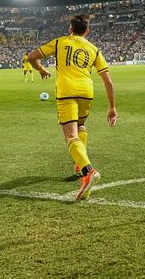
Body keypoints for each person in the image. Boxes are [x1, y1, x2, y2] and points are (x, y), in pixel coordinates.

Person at [28, 14, 117, 201]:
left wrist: (42, 69)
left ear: (70, 29)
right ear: (88, 31)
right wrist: (112, 107)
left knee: (70, 136)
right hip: (86, 92)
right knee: (81, 125)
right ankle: (79, 165)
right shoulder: (94, 49)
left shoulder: (60, 42)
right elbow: (108, 81)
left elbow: (32, 57)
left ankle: (88, 170)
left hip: (66, 91)